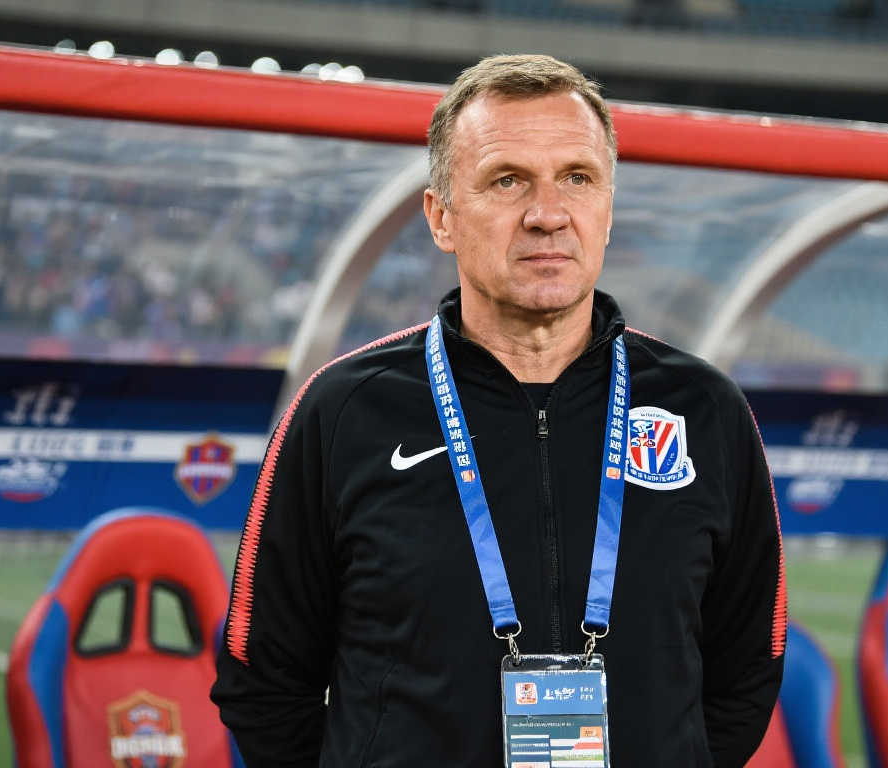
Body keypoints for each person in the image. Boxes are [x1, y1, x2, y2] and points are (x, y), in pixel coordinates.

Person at [212, 53, 786, 767]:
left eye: (577, 178)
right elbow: (263, 681)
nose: (548, 215)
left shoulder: (705, 411)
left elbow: (746, 674)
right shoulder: (341, 412)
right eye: (507, 180)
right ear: (441, 217)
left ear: (608, 209)